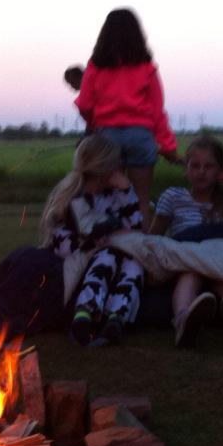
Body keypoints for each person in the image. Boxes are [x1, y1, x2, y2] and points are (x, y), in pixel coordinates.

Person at [150, 136, 223, 348]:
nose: (201, 172)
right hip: (187, 259)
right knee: (189, 276)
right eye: (195, 166)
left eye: (208, 166)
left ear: (219, 170)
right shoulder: (172, 197)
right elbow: (155, 237)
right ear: (186, 168)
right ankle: (183, 321)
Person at [74, 8, 179, 226]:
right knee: (141, 199)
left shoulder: (95, 66)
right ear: (137, 34)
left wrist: (94, 124)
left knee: (108, 199)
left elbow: (84, 104)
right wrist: (168, 147)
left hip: (106, 139)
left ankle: (112, 247)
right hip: (140, 136)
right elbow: (157, 112)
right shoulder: (148, 68)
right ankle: (142, 250)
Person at [40, 133, 145, 346]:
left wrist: (127, 191)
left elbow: (135, 229)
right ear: (104, 167)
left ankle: (117, 317)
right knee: (107, 255)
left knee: (134, 261)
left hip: (109, 250)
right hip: (79, 256)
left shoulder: (113, 194)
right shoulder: (73, 197)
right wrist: (110, 235)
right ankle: (84, 314)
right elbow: (76, 237)